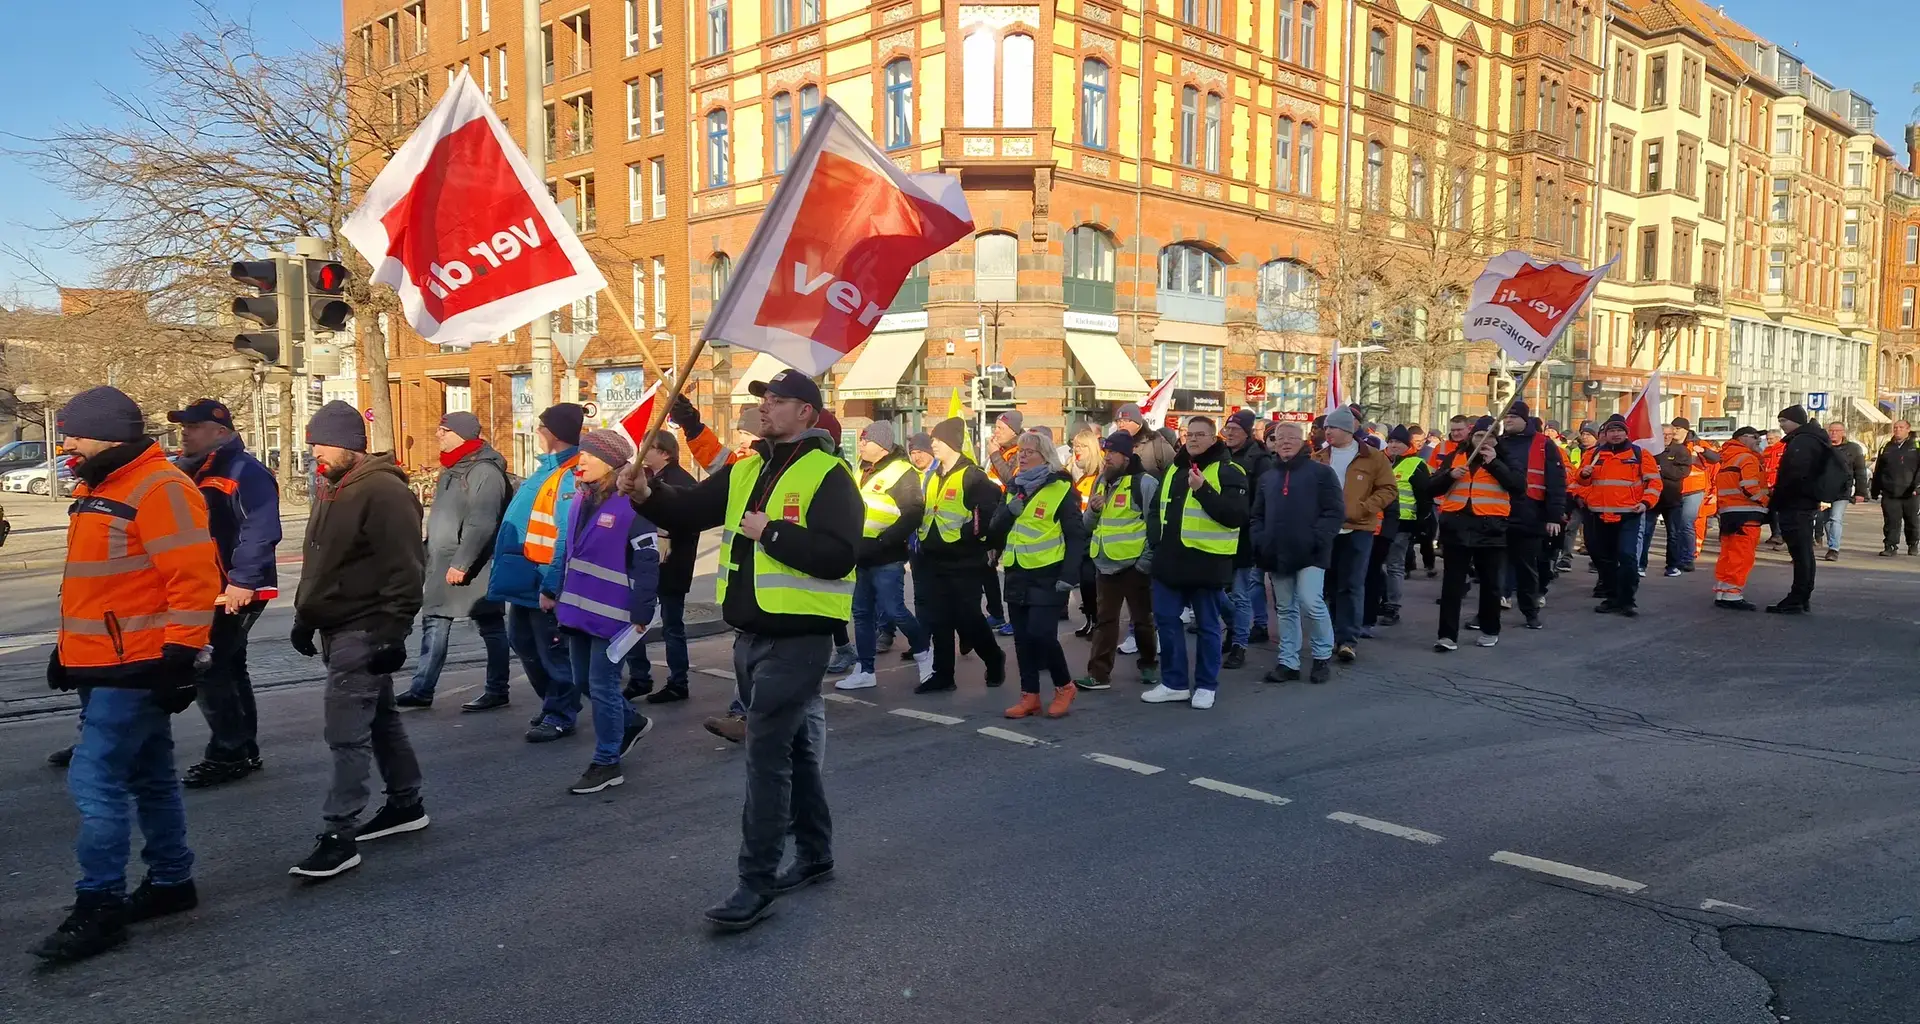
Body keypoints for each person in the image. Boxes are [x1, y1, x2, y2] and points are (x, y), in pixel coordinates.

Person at [619, 368, 859, 932]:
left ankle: (755, 883)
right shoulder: (745, 468)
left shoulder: (830, 474)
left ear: (807, 412)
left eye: (777, 400)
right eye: (763, 400)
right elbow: (688, 511)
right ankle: (817, 854)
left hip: (800, 640)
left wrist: (770, 532)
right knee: (795, 752)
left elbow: (841, 556)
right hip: (749, 639)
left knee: (765, 756)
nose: (765, 408)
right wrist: (648, 493)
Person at [32, 387, 221, 963]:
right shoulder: (103, 486)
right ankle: (170, 880)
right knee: (149, 776)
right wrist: (68, 652)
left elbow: (194, 580)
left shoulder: (159, 487)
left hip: (135, 666)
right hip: (109, 663)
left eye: (74, 434)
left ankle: (101, 904)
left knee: (95, 781)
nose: (66, 445)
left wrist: (179, 658)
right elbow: (99, 583)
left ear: (109, 437)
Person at [288, 401, 429, 880]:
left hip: (364, 628)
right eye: (311, 445)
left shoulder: (382, 491)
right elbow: (323, 563)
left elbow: (406, 567)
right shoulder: (334, 487)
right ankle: (406, 803)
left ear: (350, 444)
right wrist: (305, 617)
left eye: (321, 444)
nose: (315, 454)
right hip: (339, 624)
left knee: (346, 732)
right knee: (382, 721)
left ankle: (339, 833)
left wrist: (394, 631)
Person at [168, 399, 281, 789]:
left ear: (220, 432)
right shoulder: (196, 470)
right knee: (230, 667)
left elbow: (260, 528)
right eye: (184, 426)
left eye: (193, 426)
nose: (185, 432)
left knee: (208, 665)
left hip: (234, 587)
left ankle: (228, 751)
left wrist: (242, 580)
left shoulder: (242, 471)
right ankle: (243, 748)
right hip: (217, 586)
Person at [549, 430, 659, 795]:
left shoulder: (633, 505)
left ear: (611, 463)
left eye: (588, 456)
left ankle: (607, 762)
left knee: (602, 684)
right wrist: (555, 592)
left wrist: (643, 610)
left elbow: (647, 561)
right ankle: (630, 723)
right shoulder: (581, 499)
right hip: (579, 611)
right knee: (583, 682)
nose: (580, 461)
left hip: (615, 616)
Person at [397, 412, 512, 709]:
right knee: (434, 621)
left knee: (490, 624)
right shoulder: (453, 468)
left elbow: (482, 522)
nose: (438, 435)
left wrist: (462, 563)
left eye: (443, 430)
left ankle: (497, 689)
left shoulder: (484, 471)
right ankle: (422, 689)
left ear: (461, 434)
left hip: (474, 564)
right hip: (442, 560)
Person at [484, 403, 582, 732]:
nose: (537, 433)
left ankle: (562, 712)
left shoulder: (568, 474)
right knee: (524, 645)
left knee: (552, 652)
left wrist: (553, 585)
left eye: (541, 428)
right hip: (526, 581)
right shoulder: (547, 470)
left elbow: (565, 536)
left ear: (553, 433)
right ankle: (554, 703)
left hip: (542, 584)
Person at [1140, 416, 1248, 710]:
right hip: (1169, 561)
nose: (1194, 439)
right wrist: (1156, 541)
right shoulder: (1174, 468)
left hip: (1206, 561)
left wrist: (1203, 490)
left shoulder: (1229, 470)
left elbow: (1234, 517)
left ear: (1214, 439)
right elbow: (1154, 509)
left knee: (1208, 627)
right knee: (1166, 621)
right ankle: (1174, 683)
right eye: (1190, 434)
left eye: (1201, 434)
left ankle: (1205, 685)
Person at [991, 429, 1087, 718]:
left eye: (1029, 451)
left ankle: (1064, 686)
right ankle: (1029, 695)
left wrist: (1070, 576)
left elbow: (1076, 536)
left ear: (1044, 456)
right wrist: (1010, 512)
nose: (1022, 455)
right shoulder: (1014, 487)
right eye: (1020, 451)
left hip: (1049, 573)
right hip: (1018, 571)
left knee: (1042, 635)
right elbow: (995, 529)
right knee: (1022, 639)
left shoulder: (1061, 488)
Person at [911, 416, 1009, 693]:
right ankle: (943, 675)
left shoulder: (972, 475)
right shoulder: (934, 474)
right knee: (939, 618)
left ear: (951, 443)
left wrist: (972, 536)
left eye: (937, 440)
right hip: (933, 557)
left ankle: (993, 657)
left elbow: (988, 511)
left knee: (967, 617)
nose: (933, 445)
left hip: (963, 559)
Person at [838, 421, 933, 691]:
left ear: (881, 445)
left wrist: (883, 541)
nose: (860, 445)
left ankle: (924, 653)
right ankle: (865, 669)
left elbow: (914, 512)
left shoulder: (902, 471)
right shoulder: (860, 469)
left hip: (886, 555)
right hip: (861, 554)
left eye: (865, 441)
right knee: (861, 614)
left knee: (894, 609)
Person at [1250, 421, 1342, 683]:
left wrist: (1317, 539)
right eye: (1280, 438)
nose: (1285, 442)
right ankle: (1288, 661)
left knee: (1311, 601)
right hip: (1276, 552)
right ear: (1274, 443)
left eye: (1292, 437)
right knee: (1285, 609)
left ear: (1303, 441)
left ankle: (1322, 656)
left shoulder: (1321, 473)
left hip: (1311, 552)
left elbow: (1334, 511)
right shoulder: (1268, 477)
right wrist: (1260, 540)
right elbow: (1257, 515)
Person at [1076, 431, 1159, 692]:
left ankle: (1148, 664)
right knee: (1105, 621)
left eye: (1113, 453)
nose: (1107, 457)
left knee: (1142, 620)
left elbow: (1154, 527)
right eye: (1106, 452)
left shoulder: (1144, 483)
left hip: (1134, 566)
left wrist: (1144, 562)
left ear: (1127, 456)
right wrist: (1093, 510)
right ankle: (1099, 675)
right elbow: (1087, 525)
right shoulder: (1100, 480)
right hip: (1104, 563)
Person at [1313, 408, 1396, 662]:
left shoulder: (1372, 457)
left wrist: (1364, 508)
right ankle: (1329, 637)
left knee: (1351, 585)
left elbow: (1388, 488)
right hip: (1326, 531)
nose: (1328, 431)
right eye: (1326, 427)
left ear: (1348, 430)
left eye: (1333, 427)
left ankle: (1348, 640)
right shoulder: (1317, 457)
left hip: (1358, 530)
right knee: (1327, 586)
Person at [1430, 418, 1521, 650]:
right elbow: (1431, 488)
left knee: (1490, 583)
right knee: (1452, 584)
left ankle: (1490, 629)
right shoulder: (1457, 457)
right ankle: (1447, 635)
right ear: (1472, 437)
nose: (1484, 440)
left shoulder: (1505, 458)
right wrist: (1449, 475)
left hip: (1490, 528)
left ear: (1496, 439)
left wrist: (1494, 464)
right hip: (1457, 527)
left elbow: (1519, 486)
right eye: (1480, 435)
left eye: (1490, 436)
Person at [623, 429, 699, 704]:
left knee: (671, 626)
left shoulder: (681, 481)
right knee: (635, 619)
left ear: (664, 452)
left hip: (671, 566)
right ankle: (639, 676)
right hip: (649, 565)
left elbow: (690, 523)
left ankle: (678, 682)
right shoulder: (652, 478)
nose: (643, 450)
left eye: (648, 446)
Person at [1574, 414, 1664, 617]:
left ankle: (1627, 600)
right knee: (1604, 559)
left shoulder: (1640, 454)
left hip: (1629, 514)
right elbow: (1579, 482)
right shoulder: (1592, 455)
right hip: (1599, 515)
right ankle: (1612, 597)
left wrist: (1645, 503)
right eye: (1611, 431)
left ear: (1626, 433)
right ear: (1605, 434)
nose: (1615, 434)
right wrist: (1584, 476)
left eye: (1619, 430)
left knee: (1627, 556)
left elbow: (1654, 483)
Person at [1494, 402, 1566, 630]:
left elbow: (1556, 483)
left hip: (1530, 515)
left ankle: (1530, 613)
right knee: (1493, 568)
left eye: (1513, 417)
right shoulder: (1498, 444)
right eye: (1506, 417)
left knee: (1527, 569)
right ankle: (1488, 611)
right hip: (1498, 513)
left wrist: (1554, 516)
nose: (1508, 421)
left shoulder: (1544, 445)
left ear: (1526, 420)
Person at [1767, 405, 1833, 613]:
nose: (1782, 426)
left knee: (1801, 552)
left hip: (1796, 503)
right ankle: (1801, 596)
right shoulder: (1812, 438)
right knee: (1803, 552)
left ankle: (1798, 597)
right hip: (1804, 501)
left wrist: (1779, 497)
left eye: (1783, 422)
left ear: (1795, 421)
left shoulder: (1802, 441)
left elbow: (1795, 475)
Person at [1220, 410, 1273, 660]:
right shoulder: (1221, 455)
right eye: (1227, 429)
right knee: (1216, 591)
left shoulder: (1261, 460)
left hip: (1244, 534)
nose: (1229, 434)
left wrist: (1255, 529)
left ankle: (1239, 643)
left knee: (1241, 591)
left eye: (1235, 430)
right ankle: (1233, 626)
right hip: (1218, 531)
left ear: (1248, 432)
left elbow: (1263, 499)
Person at [1712, 427, 1769, 610]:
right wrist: (1766, 502)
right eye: (1755, 437)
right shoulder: (1748, 458)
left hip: (1729, 512)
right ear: (1742, 438)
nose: (1759, 441)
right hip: (1747, 513)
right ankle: (1732, 594)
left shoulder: (1728, 457)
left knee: (1728, 554)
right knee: (1742, 555)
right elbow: (1750, 487)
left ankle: (1723, 590)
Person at [1381, 425, 1432, 626]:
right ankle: (1382, 600)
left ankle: (1392, 606)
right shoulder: (1383, 462)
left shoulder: (1416, 464)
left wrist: (1420, 526)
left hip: (1403, 523)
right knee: (1377, 564)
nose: (1393, 445)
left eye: (1398, 442)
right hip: (1381, 522)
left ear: (1407, 445)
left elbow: (1424, 497)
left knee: (1394, 565)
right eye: (1391, 441)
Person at [1641, 422, 1694, 577]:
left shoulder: (1681, 451)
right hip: (1652, 498)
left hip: (1672, 499)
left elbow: (1682, 472)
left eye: (1669, 435)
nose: (1666, 437)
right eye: (1663, 434)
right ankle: (1641, 565)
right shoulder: (1649, 451)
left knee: (1674, 534)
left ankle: (1672, 566)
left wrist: (1661, 469)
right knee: (1645, 533)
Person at [1067, 426, 1105, 636]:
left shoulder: (1099, 474)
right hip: (1078, 535)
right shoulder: (1074, 471)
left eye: (1082, 446)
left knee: (1091, 582)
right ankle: (1090, 619)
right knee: (1084, 583)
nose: (1077, 450)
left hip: (1092, 535)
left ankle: (1097, 621)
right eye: (1075, 446)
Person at [1816, 420, 1869, 561]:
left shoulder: (1853, 449)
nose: (1833, 433)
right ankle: (1831, 545)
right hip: (1824, 491)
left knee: (1836, 518)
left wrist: (1860, 492)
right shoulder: (1822, 447)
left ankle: (1834, 548)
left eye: (1837, 430)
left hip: (1842, 491)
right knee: (1826, 519)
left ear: (1843, 432)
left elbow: (1860, 471)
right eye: (1831, 430)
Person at [1871, 419, 1919, 556]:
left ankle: (1913, 543)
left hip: (1911, 492)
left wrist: (1917, 486)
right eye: (1896, 427)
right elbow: (1879, 470)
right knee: (1891, 521)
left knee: (1912, 521)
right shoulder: (1887, 447)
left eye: (1901, 427)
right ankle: (1890, 546)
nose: (1897, 430)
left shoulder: (1916, 446)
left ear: (1908, 429)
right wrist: (1875, 490)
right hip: (1890, 492)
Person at [1112, 401, 1178, 475]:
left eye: (1126, 420)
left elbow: (1174, 468)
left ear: (1137, 422)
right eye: (1118, 421)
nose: (1121, 425)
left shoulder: (1155, 442)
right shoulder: (1113, 444)